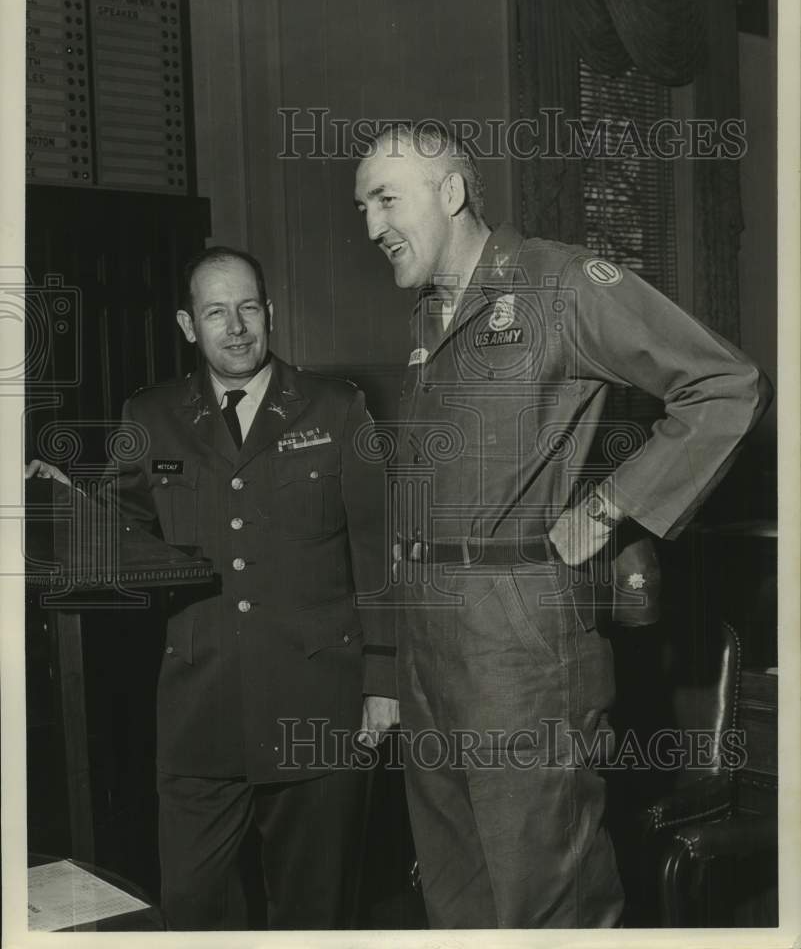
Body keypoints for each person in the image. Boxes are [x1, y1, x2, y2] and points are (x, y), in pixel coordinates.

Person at [353, 123, 772, 928]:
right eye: (362, 206)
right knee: (453, 891)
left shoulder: (562, 284)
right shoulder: (429, 319)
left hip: (521, 644)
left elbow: (725, 385)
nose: (370, 226)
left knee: (545, 899)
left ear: (449, 193)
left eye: (385, 200)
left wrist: (612, 506)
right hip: (433, 640)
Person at [29, 246, 398, 930]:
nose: (236, 327)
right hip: (200, 710)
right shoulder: (152, 414)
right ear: (186, 324)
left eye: (248, 308)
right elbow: (120, 533)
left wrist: (384, 681)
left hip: (317, 703)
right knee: (194, 911)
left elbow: (379, 553)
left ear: (270, 313)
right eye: (215, 312)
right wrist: (65, 506)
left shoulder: (336, 407)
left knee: (314, 916)